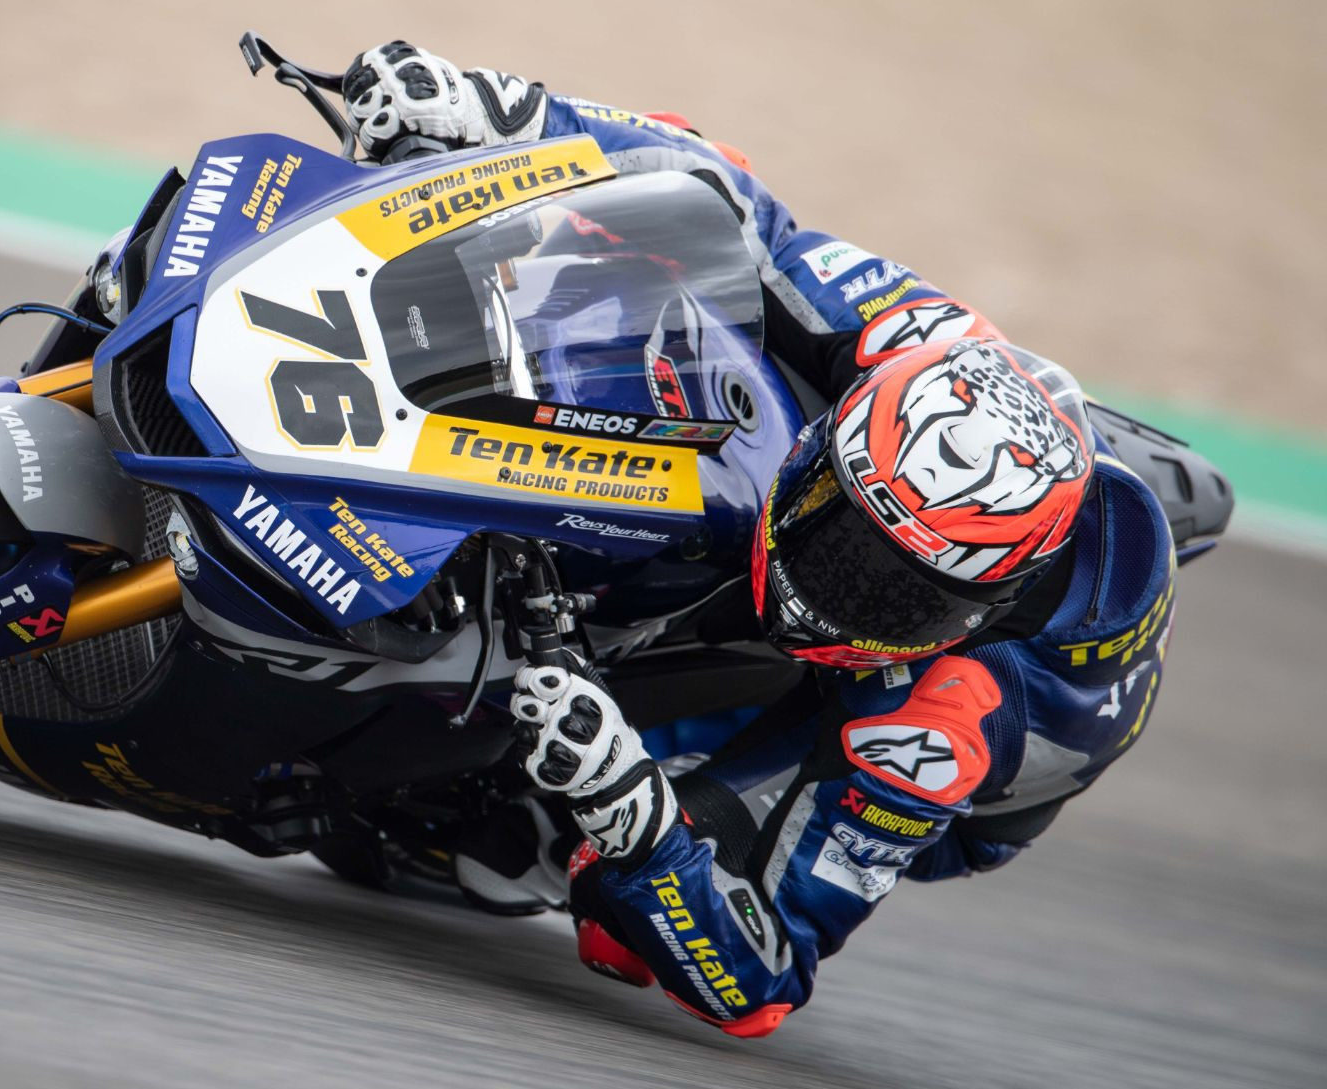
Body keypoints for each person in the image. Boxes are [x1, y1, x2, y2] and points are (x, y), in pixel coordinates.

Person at [343, 42, 1180, 1037]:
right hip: (967, 472)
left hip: (932, 720)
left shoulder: (930, 735)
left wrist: (633, 818)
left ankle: (479, 821)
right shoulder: (915, 340)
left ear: (970, 610)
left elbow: (763, 984)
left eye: (886, 594)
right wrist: (505, 111)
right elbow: (725, 197)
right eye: (833, 527)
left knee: (585, 883)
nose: (816, 598)